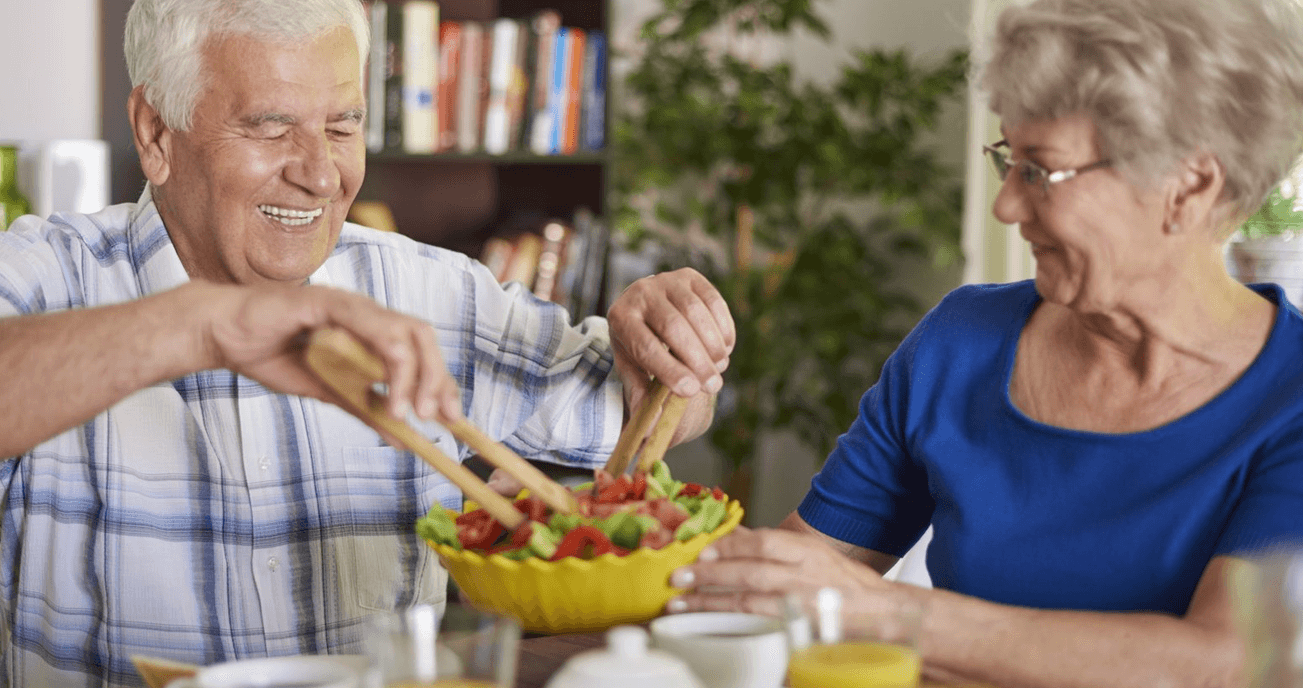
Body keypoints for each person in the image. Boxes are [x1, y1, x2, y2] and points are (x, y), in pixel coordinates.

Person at [0, 0, 734, 686]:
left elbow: (650, 411)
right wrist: (203, 324)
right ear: (156, 134)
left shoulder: (431, 290)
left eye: (343, 125)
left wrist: (669, 350)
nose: (321, 173)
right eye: (269, 126)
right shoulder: (43, 274)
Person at [668, 0, 1303, 686]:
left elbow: (1226, 663)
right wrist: (645, 425)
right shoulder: (960, 341)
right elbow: (781, 585)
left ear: (1188, 185)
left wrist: (885, 614)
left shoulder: (1290, 399)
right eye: (1007, 158)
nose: (1004, 205)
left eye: (1038, 169)